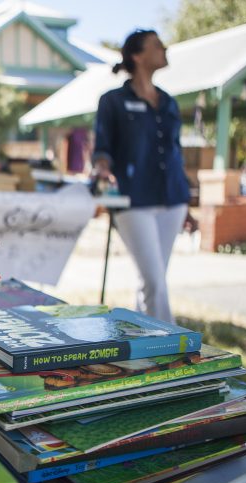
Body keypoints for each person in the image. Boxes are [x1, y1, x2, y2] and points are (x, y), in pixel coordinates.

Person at [93, 29, 193, 323]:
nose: (165, 49)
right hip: (132, 199)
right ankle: (173, 347)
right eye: (157, 45)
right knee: (153, 280)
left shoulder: (169, 102)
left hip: (173, 199)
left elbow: (176, 152)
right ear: (137, 55)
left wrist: (188, 199)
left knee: (154, 278)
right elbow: (102, 147)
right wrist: (102, 168)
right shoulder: (112, 101)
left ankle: (138, 339)